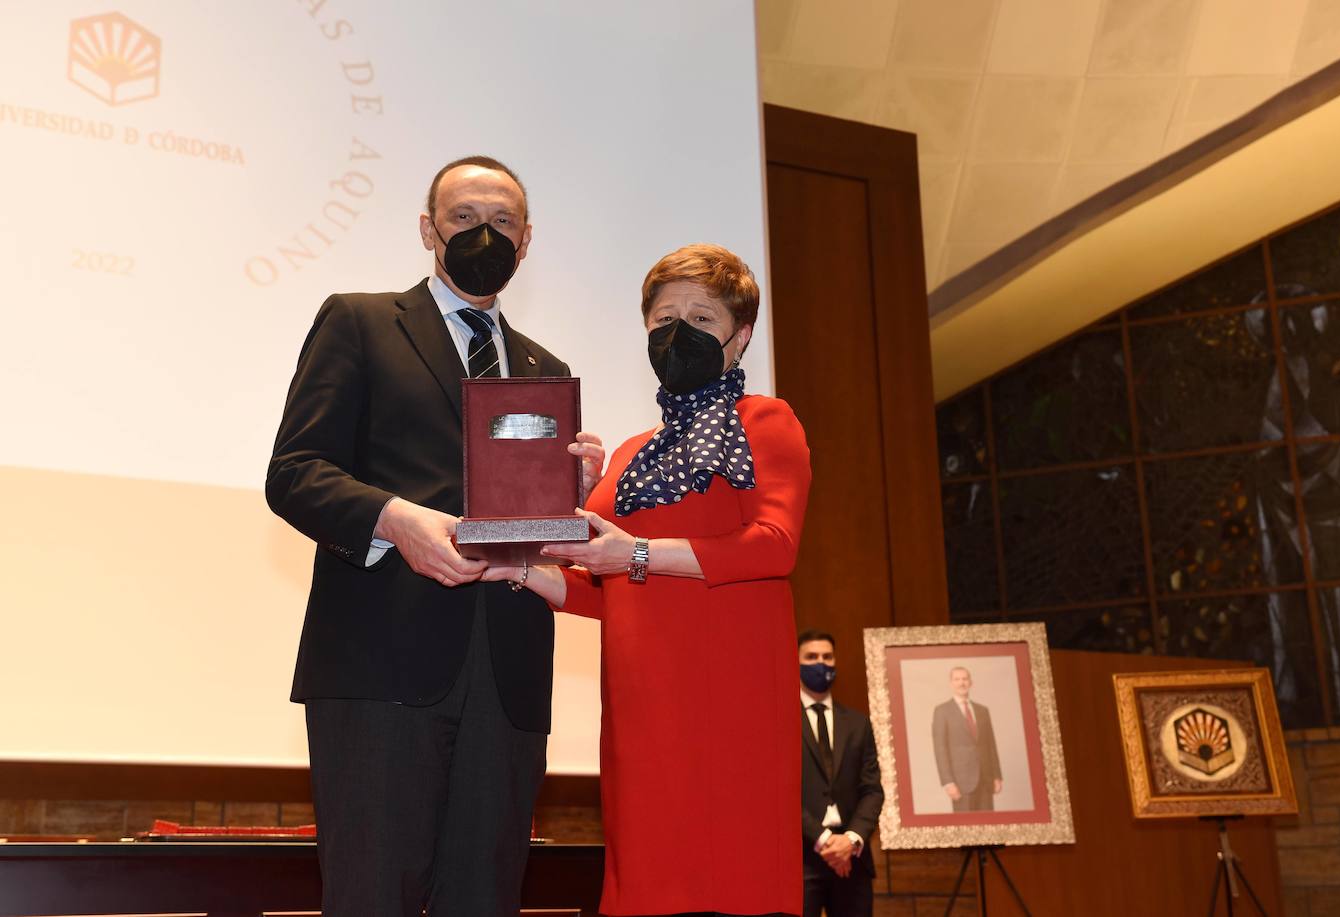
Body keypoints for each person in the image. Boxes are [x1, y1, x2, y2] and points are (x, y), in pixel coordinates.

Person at [265, 155, 603, 917]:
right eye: (463, 218)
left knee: (484, 900)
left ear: (527, 240)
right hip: (381, 670)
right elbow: (294, 472)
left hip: (508, 675)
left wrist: (569, 498)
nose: (483, 234)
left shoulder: (547, 369)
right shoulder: (357, 321)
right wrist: (394, 519)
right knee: (372, 899)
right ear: (427, 228)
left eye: (503, 221)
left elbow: (530, 531)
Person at [485, 243, 811, 916]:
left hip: (731, 702)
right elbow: (604, 584)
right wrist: (530, 569)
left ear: (741, 334)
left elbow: (773, 547)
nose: (678, 333)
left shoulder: (767, 422)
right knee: (647, 884)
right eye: (664, 319)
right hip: (641, 708)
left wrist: (635, 554)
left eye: (700, 316)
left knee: (732, 880)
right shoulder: (629, 454)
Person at [798, 630, 883, 917]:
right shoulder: (780, 722)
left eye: (827, 657)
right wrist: (824, 841)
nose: (820, 663)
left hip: (853, 858)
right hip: (801, 859)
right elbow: (777, 794)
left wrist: (851, 839)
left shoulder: (859, 724)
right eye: (811, 657)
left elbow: (872, 790)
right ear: (796, 662)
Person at [931, 666, 1002, 812]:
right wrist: (948, 782)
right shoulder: (942, 711)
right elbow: (940, 749)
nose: (961, 683)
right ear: (951, 683)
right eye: (957, 679)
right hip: (960, 782)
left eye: (965, 679)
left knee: (988, 828)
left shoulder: (983, 711)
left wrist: (997, 775)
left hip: (986, 780)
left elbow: (991, 745)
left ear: (971, 682)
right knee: (965, 829)